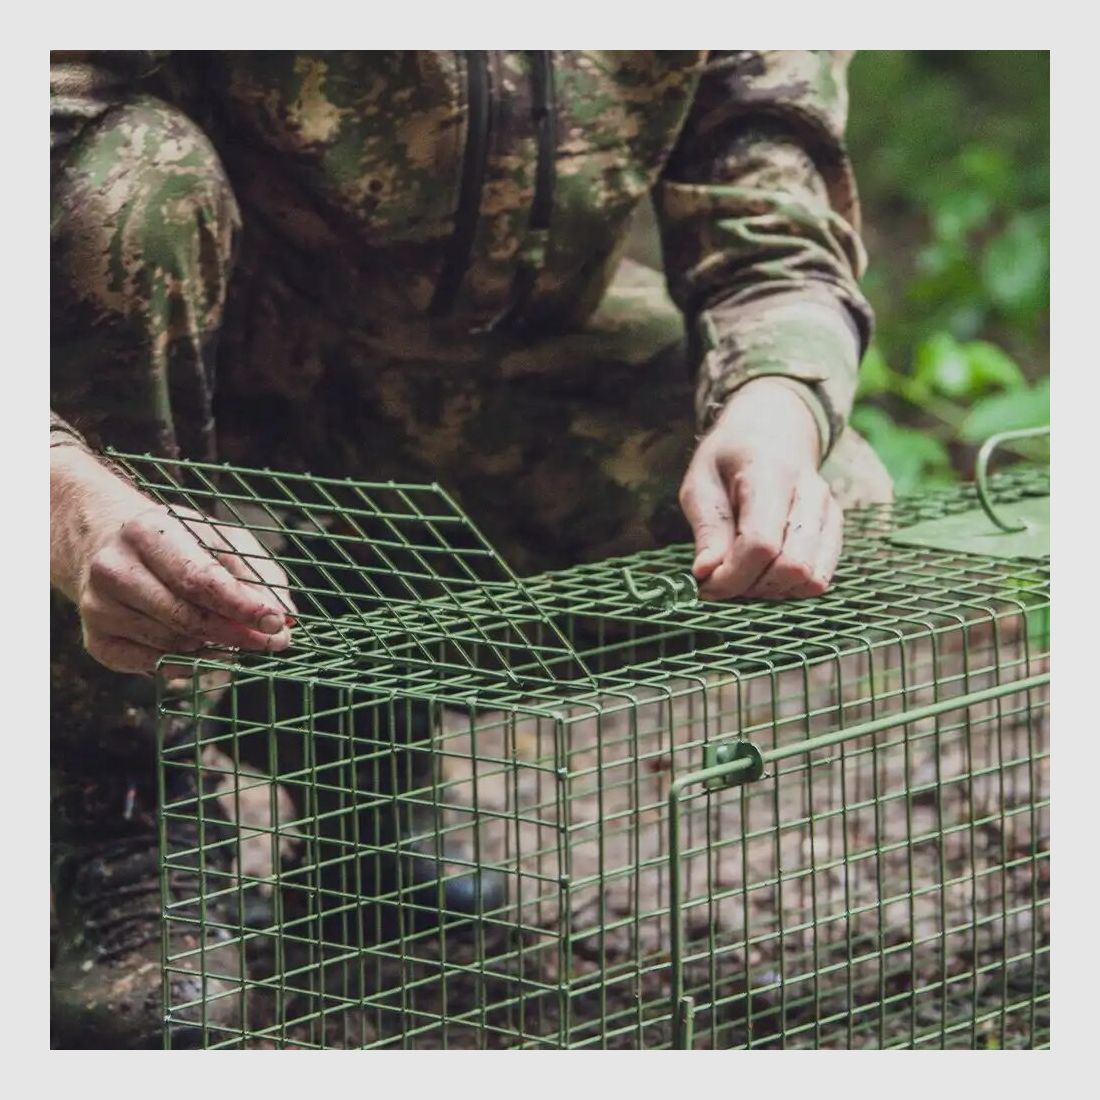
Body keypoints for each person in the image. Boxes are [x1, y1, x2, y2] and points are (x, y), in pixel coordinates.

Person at [49, 50, 892, 1047]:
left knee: (836, 499)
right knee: (132, 173)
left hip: (467, 373)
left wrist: (776, 404)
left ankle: (345, 751)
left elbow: (772, 202)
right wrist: (66, 502)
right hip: (162, 373)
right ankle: (107, 802)